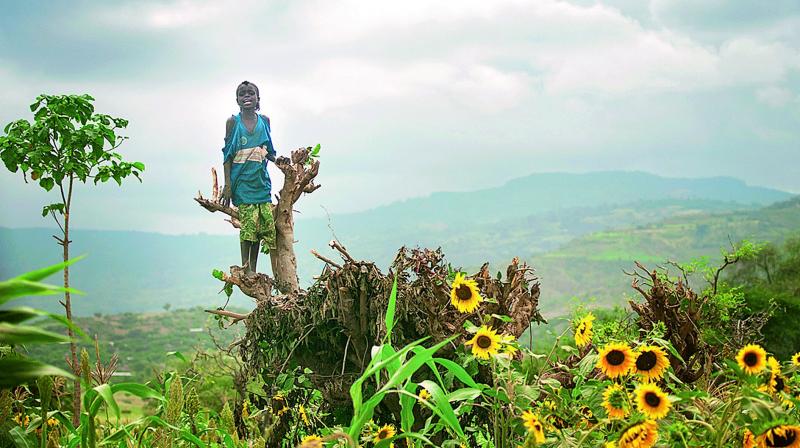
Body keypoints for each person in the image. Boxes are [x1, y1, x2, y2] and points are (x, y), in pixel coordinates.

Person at [220, 80, 277, 275]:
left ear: (258, 98)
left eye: (250, 93)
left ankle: (254, 267)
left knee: (261, 227)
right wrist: (227, 185)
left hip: (261, 181)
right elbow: (227, 155)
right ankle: (246, 268)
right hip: (241, 183)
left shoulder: (265, 121)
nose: (247, 96)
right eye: (242, 94)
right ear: (237, 99)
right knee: (248, 227)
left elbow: (268, 150)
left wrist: (284, 163)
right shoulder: (233, 123)